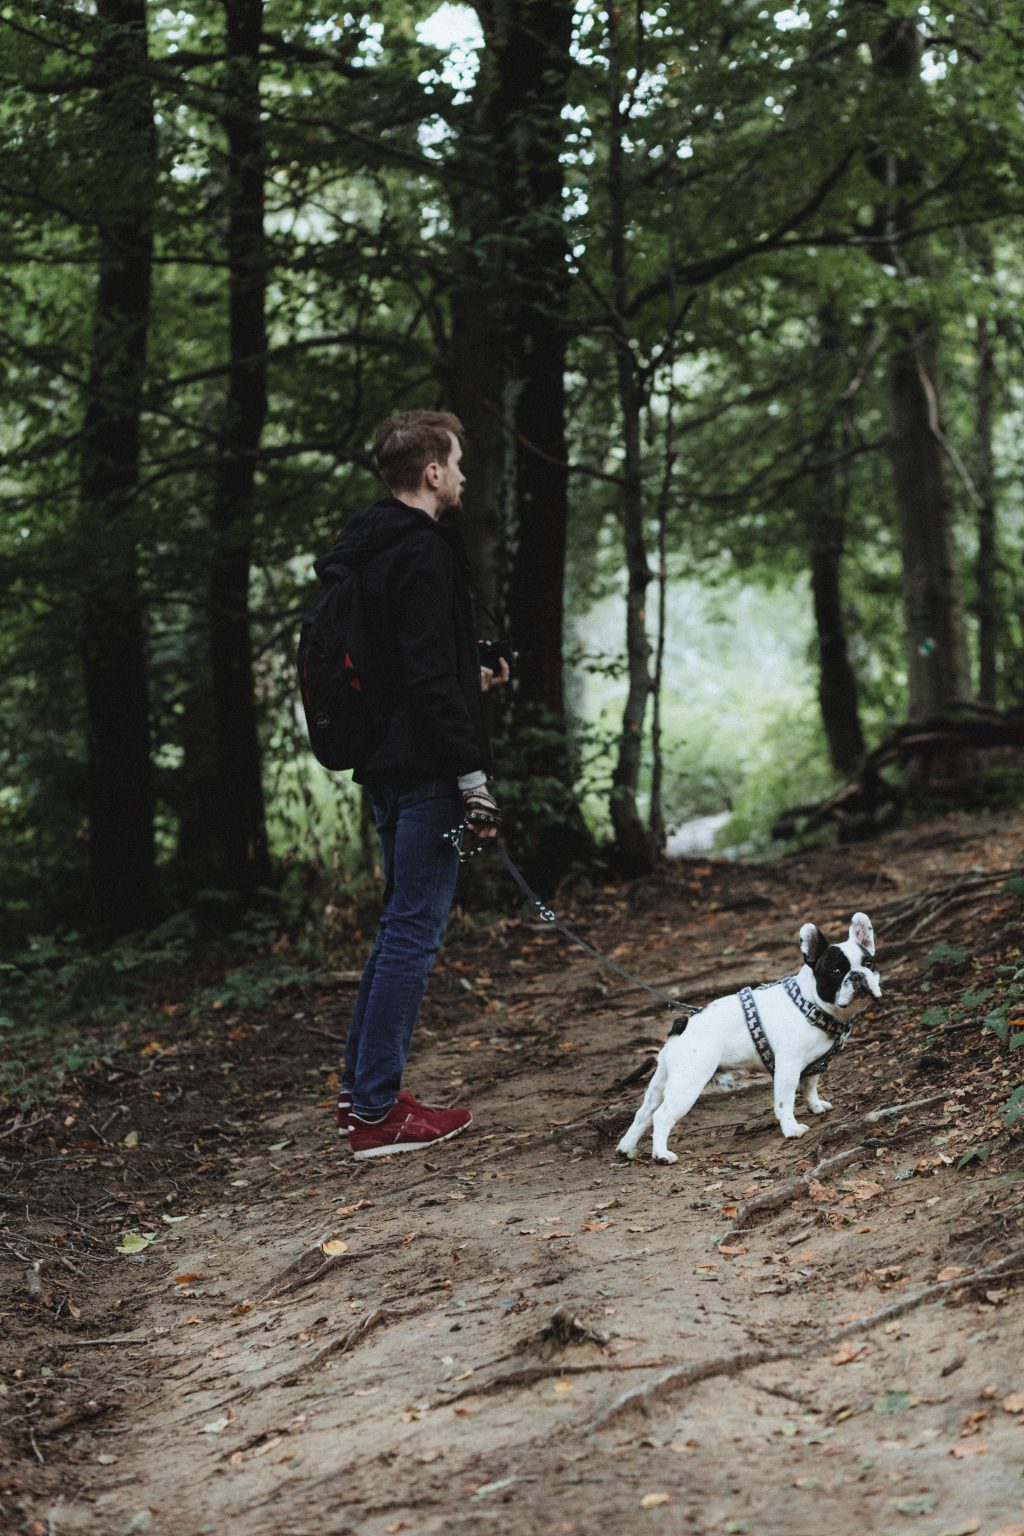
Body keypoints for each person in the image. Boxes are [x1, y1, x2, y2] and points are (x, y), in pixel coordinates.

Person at [316, 410, 507, 1160]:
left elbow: (406, 667)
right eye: (455, 463)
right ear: (432, 472)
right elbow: (429, 680)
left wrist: (475, 671)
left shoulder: (367, 551)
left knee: (397, 928)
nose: (461, 475)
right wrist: (474, 781)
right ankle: (374, 1114)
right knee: (411, 934)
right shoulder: (423, 553)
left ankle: (362, 1096)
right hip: (428, 773)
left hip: (386, 766)